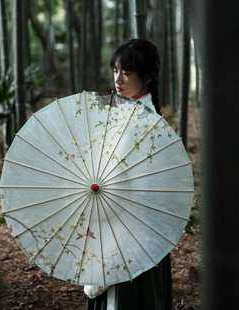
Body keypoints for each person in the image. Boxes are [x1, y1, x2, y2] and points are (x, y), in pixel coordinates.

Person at [84, 39, 173, 310]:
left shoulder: (144, 122)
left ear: (147, 77)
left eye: (126, 72)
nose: (118, 79)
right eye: (115, 71)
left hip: (132, 226)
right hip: (131, 225)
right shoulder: (128, 114)